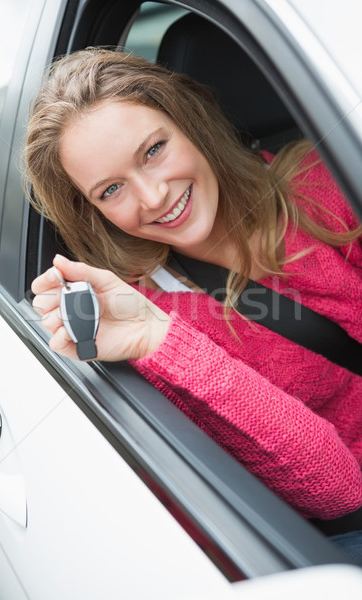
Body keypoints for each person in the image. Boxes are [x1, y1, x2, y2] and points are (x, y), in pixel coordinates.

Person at [26, 48, 362, 560]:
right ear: (93, 211)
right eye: (112, 189)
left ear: (190, 122)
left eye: (153, 150)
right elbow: (337, 490)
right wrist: (161, 340)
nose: (153, 196)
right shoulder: (147, 322)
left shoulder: (330, 181)